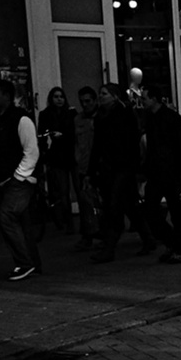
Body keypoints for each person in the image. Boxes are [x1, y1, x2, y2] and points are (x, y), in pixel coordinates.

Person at [89, 83, 153, 261]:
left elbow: (131, 142)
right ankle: (148, 237)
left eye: (104, 94)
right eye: (100, 94)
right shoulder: (101, 116)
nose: (101, 97)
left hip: (122, 168)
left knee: (114, 206)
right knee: (129, 205)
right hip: (111, 168)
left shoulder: (124, 114)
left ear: (114, 96)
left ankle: (109, 248)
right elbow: (98, 145)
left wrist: (133, 166)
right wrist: (92, 169)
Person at [0, 80, 43, 280]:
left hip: (18, 179)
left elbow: (31, 151)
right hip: (3, 178)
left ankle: (24, 263)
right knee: (20, 220)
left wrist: (20, 175)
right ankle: (31, 262)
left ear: (7, 96)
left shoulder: (21, 119)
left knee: (7, 216)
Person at [140, 91, 181, 264]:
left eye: (144, 98)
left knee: (177, 214)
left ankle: (180, 249)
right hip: (157, 172)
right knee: (151, 211)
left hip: (171, 172)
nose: (142, 101)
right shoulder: (151, 118)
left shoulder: (171, 118)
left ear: (154, 98)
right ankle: (173, 243)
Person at [37, 87, 77, 234]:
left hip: (71, 154)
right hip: (57, 155)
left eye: (61, 97)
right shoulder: (46, 115)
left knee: (77, 190)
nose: (59, 99)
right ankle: (68, 222)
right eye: (56, 97)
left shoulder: (71, 113)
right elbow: (41, 135)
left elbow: (75, 132)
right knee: (62, 191)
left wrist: (63, 135)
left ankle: (78, 223)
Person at [72, 86, 99, 249]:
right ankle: (87, 235)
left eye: (88, 101)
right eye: (82, 102)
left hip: (98, 165)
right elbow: (76, 143)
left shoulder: (101, 117)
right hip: (83, 164)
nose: (85, 105)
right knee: (85, 202)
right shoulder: (78, 120)